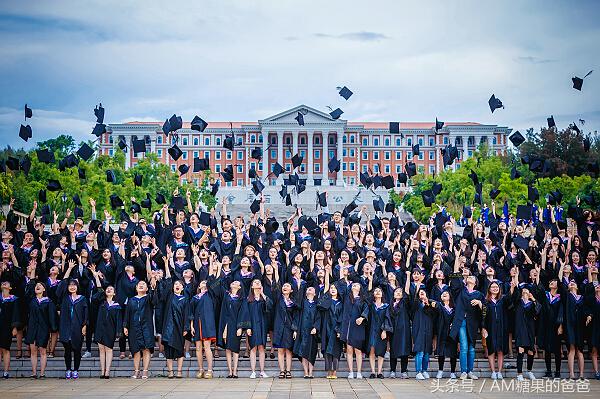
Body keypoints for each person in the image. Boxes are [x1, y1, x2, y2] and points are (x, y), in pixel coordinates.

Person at [57, 260, 88, 380]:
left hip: (77, 327)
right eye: (70, 285)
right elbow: (61, 286)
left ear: (77, 287)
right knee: (67, 351)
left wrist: (84, 325)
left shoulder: (82, 299)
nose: (72, 287)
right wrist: (69, 269)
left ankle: (76, 370)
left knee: (77, 350)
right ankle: (68, 369)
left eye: (74, 285)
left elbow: (86, 314)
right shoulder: (65, 297)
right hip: (65, 327)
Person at [91, 265, 122, 379]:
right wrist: (97, 277)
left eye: (111, 289)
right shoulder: (101, 302)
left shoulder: (117, 306)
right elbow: (99, 292)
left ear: (114, 293)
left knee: (108, 349)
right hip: (100, 328)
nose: (109, 290)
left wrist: (118, 332)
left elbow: (119, 320)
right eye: (107, 289)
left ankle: (107, 371)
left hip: (110, 329)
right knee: (101, 350)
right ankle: (102, 371)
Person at [24, 276, 57, 379]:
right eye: (36, 286)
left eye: (40, 286)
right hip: (32, 328)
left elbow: (52, 316)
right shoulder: (31, 300)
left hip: (43, 328)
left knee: (42, 351)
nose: (37, 286)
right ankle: (34, 373)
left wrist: (53, 328)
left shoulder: (48, 301)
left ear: (44, 289)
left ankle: (42, 373)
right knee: (33, 351)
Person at [124, 280, 155, 379]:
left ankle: (145, 371)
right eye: (139, 284)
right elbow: (127, 314)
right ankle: (136, 371)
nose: (141, 285)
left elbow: (155, 300)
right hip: (134, 327)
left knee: (146, 348)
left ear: (147, 288)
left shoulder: (149, 298)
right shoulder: (131, 300)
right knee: (135, 349)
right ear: (136, 287)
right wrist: (125, 326)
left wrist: (153, 287)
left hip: (146, 327)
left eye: (143, 285)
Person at [218, 280, 249, 378]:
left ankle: (235, 371)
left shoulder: (242, 299)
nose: (233, 283)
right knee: (228, 348)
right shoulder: (226, 296)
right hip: (226, 325)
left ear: (239, 287)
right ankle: (230, 371)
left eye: (236, 283)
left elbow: (243, 313)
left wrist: (240, 327)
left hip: (236, 325)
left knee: (235, 348)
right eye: (233, 282)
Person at [341, 282, 369, 379]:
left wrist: (362, 318)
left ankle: (359, 372)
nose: (354, 286)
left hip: (358, 326)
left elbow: (366, 310)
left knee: (358, 350)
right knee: (349, 349)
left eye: (357, 285)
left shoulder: (362, 300)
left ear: (360, 288)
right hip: (348, 326)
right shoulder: (347, 298)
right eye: (353, 285)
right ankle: (351, 372)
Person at [482, 281, 508, 380]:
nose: (495, 288)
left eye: (496, 287)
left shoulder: (503, 300)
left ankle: (499, 372)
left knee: (500, 350)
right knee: (491, 349)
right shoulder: (486, 301)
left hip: (501, 327)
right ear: (489, 289)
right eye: (492, 287)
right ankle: (493, 372)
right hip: (490, 327)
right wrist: (483, 328)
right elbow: (483, 316)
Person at [247, 279, 272, 378]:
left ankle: (262, 371)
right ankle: (253, 371)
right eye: (255, 282)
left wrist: (262, 293)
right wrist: (247, 327)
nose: (257, 283)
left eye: (259, 282)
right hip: (252, 326)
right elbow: (246, 314)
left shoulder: (264, 299)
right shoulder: (248, 299)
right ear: (252, 286)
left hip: (262, 325)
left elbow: (270, 307)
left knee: (262, 348)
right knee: (253, 348)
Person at [293, 286, 320, 378]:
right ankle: (306, 372)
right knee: (303, 352)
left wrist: (316, 327)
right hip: (302, 330)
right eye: (308, 288)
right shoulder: (302, 303)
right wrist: (295, 330)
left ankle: (311, 372)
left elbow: (318, 317)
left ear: (315, 293)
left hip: (312, 332)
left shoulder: (317, 304)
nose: (310, 289)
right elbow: (297, 316)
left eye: (312, 289)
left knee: (311, 352)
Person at [318, 283, 343, 379]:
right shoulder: (326, 301)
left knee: (336, 351)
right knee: (327, 351)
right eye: (331, 288)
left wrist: (339, 330)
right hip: (326, 328)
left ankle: (335, 372)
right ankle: (328, 371)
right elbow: (320, 307)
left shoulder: (341, 303)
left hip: (336, 329)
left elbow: (342, 317)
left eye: (335, 288)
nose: (333, 289)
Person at [272, 282, 297, 379]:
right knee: (280, 349)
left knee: (288, 350)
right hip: (279, 327)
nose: (285, 287)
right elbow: (276, 287)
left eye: (287, 286)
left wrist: (295, 329)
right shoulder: (278, 299)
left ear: (291, 290)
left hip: (289, 328)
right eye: (284, 286)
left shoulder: (293, 302)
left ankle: (288, 370)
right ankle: (282, 370)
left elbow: (295, 316)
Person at [366, 287, 392, 379]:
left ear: (382, 294)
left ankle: (379, 372)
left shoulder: (386, 306)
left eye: (379, 291)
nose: (377, 292)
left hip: (381, 331)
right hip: (372, 330)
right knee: (372, 350)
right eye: (375, 291)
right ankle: (373, 372)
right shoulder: (370, 305)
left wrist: (384, 330)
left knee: (381, 352)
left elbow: (387, 318)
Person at [434, 290, 458, 379]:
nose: (444, 294)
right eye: (443, 294)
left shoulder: (454, 308)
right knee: (441, 352)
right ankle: (440, 371)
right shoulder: (439, 306)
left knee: (453, 353)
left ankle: (452, 372)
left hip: (452, 332)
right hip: (442, 331)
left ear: (450, 296)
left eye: (447, 293)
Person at [0, 280, 21, 378]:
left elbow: (16, 314)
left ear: (10, 288)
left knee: (5, 349)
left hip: (7, 327)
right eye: (3, 283)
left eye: (7, 283)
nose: (4, 283)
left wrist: (15, 327)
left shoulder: (14, 299)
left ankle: (6, 372)